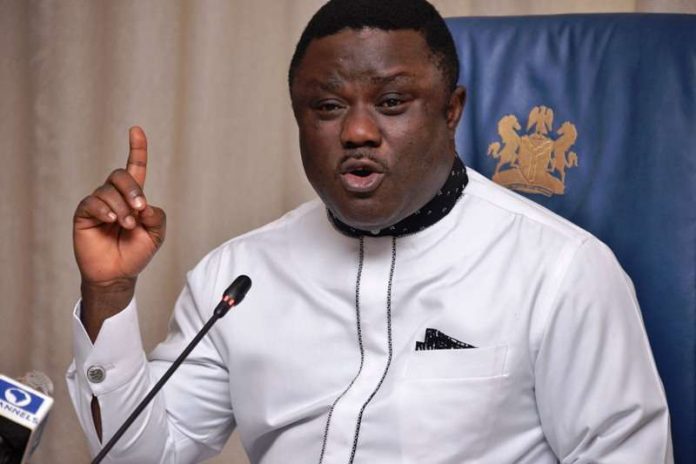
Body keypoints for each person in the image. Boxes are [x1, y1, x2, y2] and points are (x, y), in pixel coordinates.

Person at [67, 0, 673, 463]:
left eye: (391, 102)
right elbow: (141, 456)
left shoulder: (562, 271)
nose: (358, 132)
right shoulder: (236, 277)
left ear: (451, 110)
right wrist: (109, 294)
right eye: (328, 107)